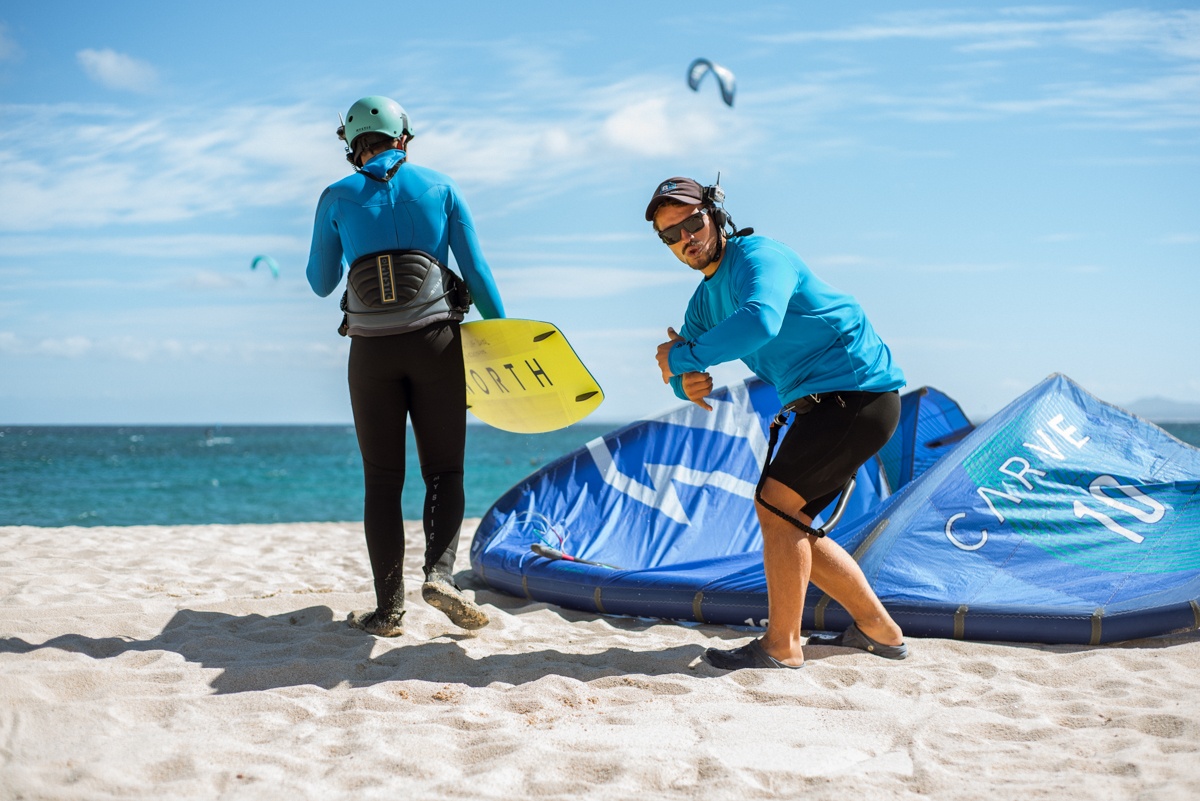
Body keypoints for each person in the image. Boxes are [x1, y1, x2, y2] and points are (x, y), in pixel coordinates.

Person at [646, 176, 908, 669]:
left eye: (692, 222)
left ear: (714, 214)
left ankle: (783, 645)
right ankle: (880, 631)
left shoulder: (759, 258)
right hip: (829, 402)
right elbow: (687, 368)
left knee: (775, 506)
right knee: (790, 522)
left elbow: (759, 322)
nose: (685, 238)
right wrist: (685, 382)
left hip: (857, 392)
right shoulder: (704, 300)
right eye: (670, 235)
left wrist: (680, 359)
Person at [307, 96, 505, 637]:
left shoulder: (335, 196)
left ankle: (387, 608)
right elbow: (478, 272)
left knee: (382, 478)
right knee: (443, 470)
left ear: (352, 146)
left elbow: (321, 281)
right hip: (437, 343)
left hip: (372, 352)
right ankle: (439, 575)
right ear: (404, 137)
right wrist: (504, 334)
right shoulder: (440, 187)